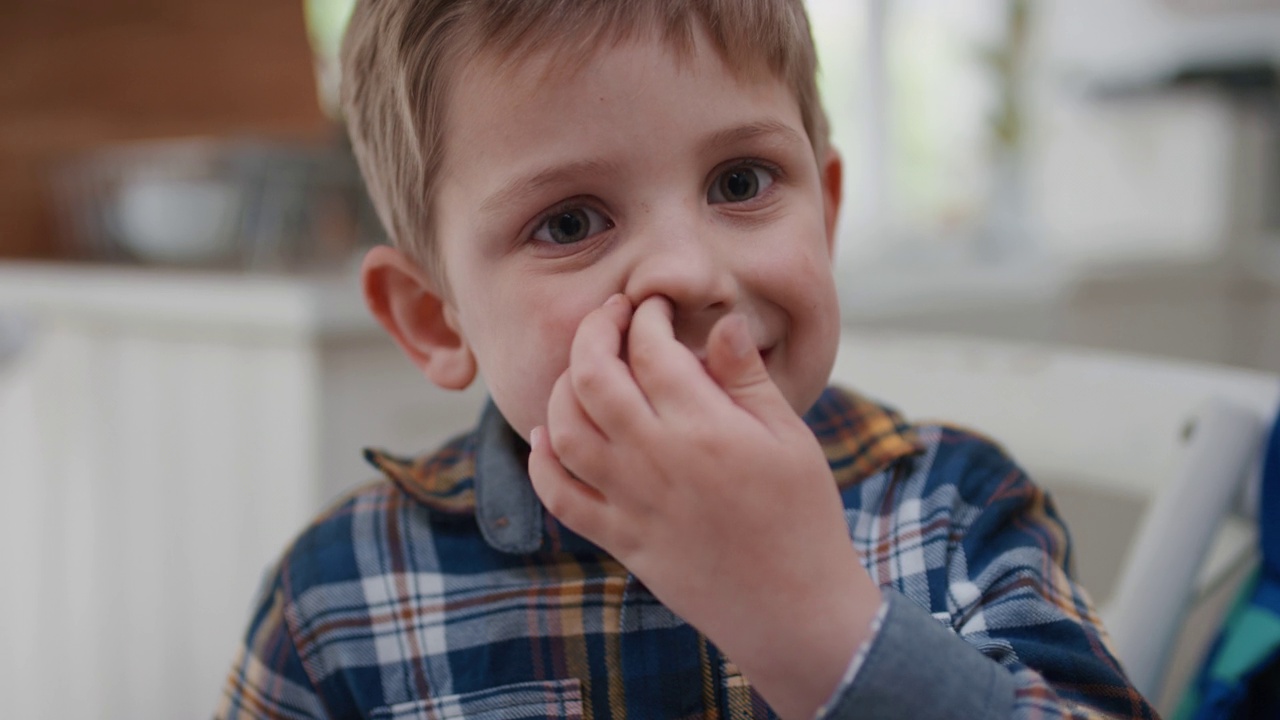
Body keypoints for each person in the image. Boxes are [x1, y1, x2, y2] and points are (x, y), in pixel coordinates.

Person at [217, 1, 1158, 718]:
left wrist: (821, 629)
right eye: (571, 222)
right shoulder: (338, 598)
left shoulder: (956, 510)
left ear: (824, 215)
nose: (689, 270)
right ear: (437, 318)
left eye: (740, 183)